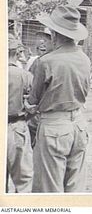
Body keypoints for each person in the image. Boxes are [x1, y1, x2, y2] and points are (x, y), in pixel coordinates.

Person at [27, 6, 91, 192]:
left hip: (54, 126)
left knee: (49, 188)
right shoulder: (84, 59)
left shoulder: (46, 61)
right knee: (75, 185)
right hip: (78, 123)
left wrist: (29, 104)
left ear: (55, 34)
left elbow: (33, 100)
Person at [7, 37, 33, 193]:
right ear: (18, 53)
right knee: (23, 179)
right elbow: (35, 105)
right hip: (17, 126)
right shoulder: (25, 75)